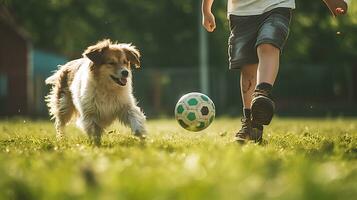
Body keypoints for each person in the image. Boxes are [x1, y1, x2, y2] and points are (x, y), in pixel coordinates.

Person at [201, 0, 295, 143]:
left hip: (276, 5)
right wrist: (206, 10)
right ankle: (252, 125)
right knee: (248, 67)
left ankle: (262, 93)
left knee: (268, 44)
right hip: (241, 12)